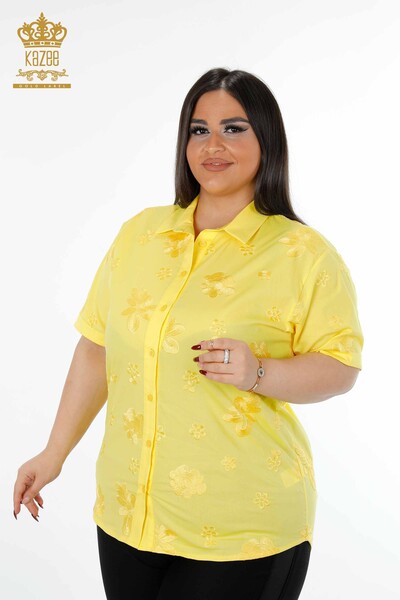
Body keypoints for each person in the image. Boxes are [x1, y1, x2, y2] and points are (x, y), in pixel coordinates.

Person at [13, 67, 363, 600]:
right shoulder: (140, 235)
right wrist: (53, 454)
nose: (212, 146)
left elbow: (340, 367)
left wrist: (259, 372)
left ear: (267, 139)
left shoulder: (304, 255)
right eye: (199, 130)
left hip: (242, 528)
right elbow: (97, 348)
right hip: (129, 516)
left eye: (234, 128)